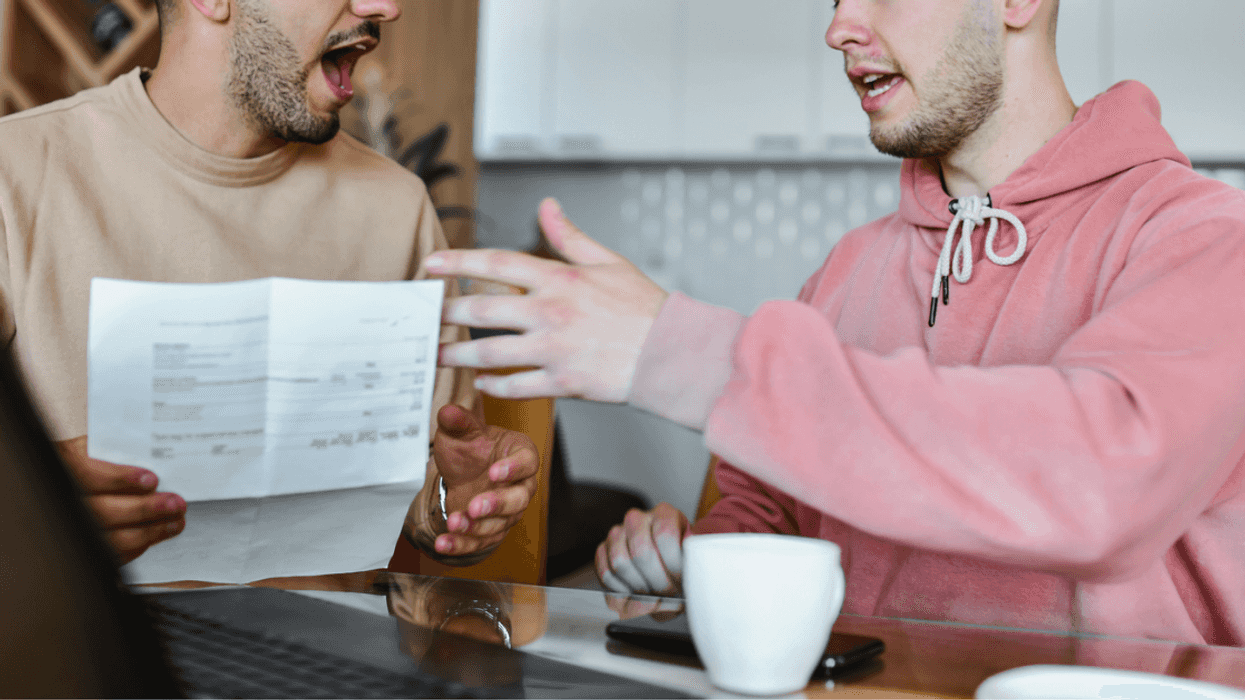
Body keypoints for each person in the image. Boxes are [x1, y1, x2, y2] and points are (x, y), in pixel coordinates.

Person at [425, 0, 1245, 645]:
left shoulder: (1202, 237)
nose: (837, 27)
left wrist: (674, 351)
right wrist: (694, 564)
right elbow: (767, 511)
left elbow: (1104, 482)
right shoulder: (849, 268)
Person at [0, 0, 538, 572]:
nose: (384, 8)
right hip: (85, 632)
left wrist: (458, 499)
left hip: (329, 631)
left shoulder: (398, 207)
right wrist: (27, 509)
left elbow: (425, 484)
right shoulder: (15, 174)